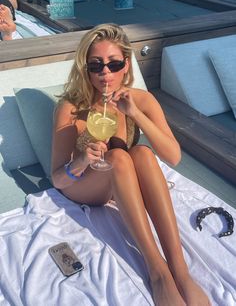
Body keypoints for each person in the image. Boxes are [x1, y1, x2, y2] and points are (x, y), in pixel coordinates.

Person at [51, 23, 210, 306]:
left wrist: (135, 112)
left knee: (144, 154)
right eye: (96, 65)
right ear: (85, 68)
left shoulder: (140, 100)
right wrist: (83, 159)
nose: (105, 73)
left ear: (126, 65)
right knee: (121, 157)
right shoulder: (72, 108)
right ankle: (158, 271)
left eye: (114, 64)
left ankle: (180, 270)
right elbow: (58, 180)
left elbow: (173, 157)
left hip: (118, 179)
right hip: (83, 185)